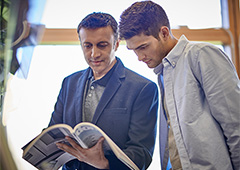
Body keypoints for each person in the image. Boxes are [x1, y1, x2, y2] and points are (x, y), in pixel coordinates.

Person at [119, 1, 240, 170]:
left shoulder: (200, 55)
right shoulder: (162, 72)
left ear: (164, 33)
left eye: (143, 47)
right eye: (134, 50)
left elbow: (235, 125)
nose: (139, 57)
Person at [48, 12, 159, 170]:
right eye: (88, 46)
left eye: (102, 45)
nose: (94, 54)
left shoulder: (143, 88)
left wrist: (104, 164)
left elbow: (142, 154)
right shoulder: (69, 82)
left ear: (116, 44)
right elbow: (54, 131)